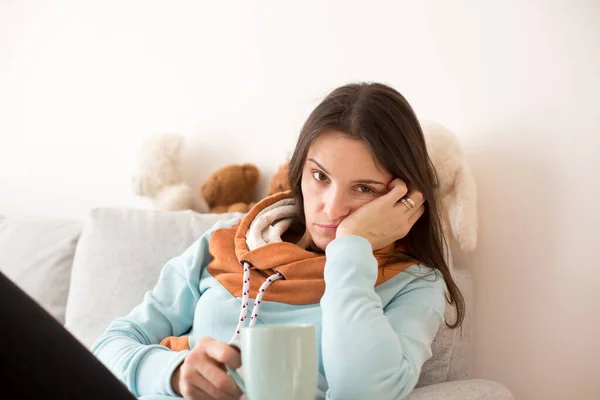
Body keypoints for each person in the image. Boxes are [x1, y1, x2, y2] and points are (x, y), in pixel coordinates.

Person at [0, 81, 464, 400]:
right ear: (300, 169)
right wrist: (175, 374)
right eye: (320, 177)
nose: (331, 206)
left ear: (404, 196)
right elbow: (110, 344)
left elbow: (363, 390)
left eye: (363, 188)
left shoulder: (412, 285)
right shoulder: (224, 245)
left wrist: (351, 250)